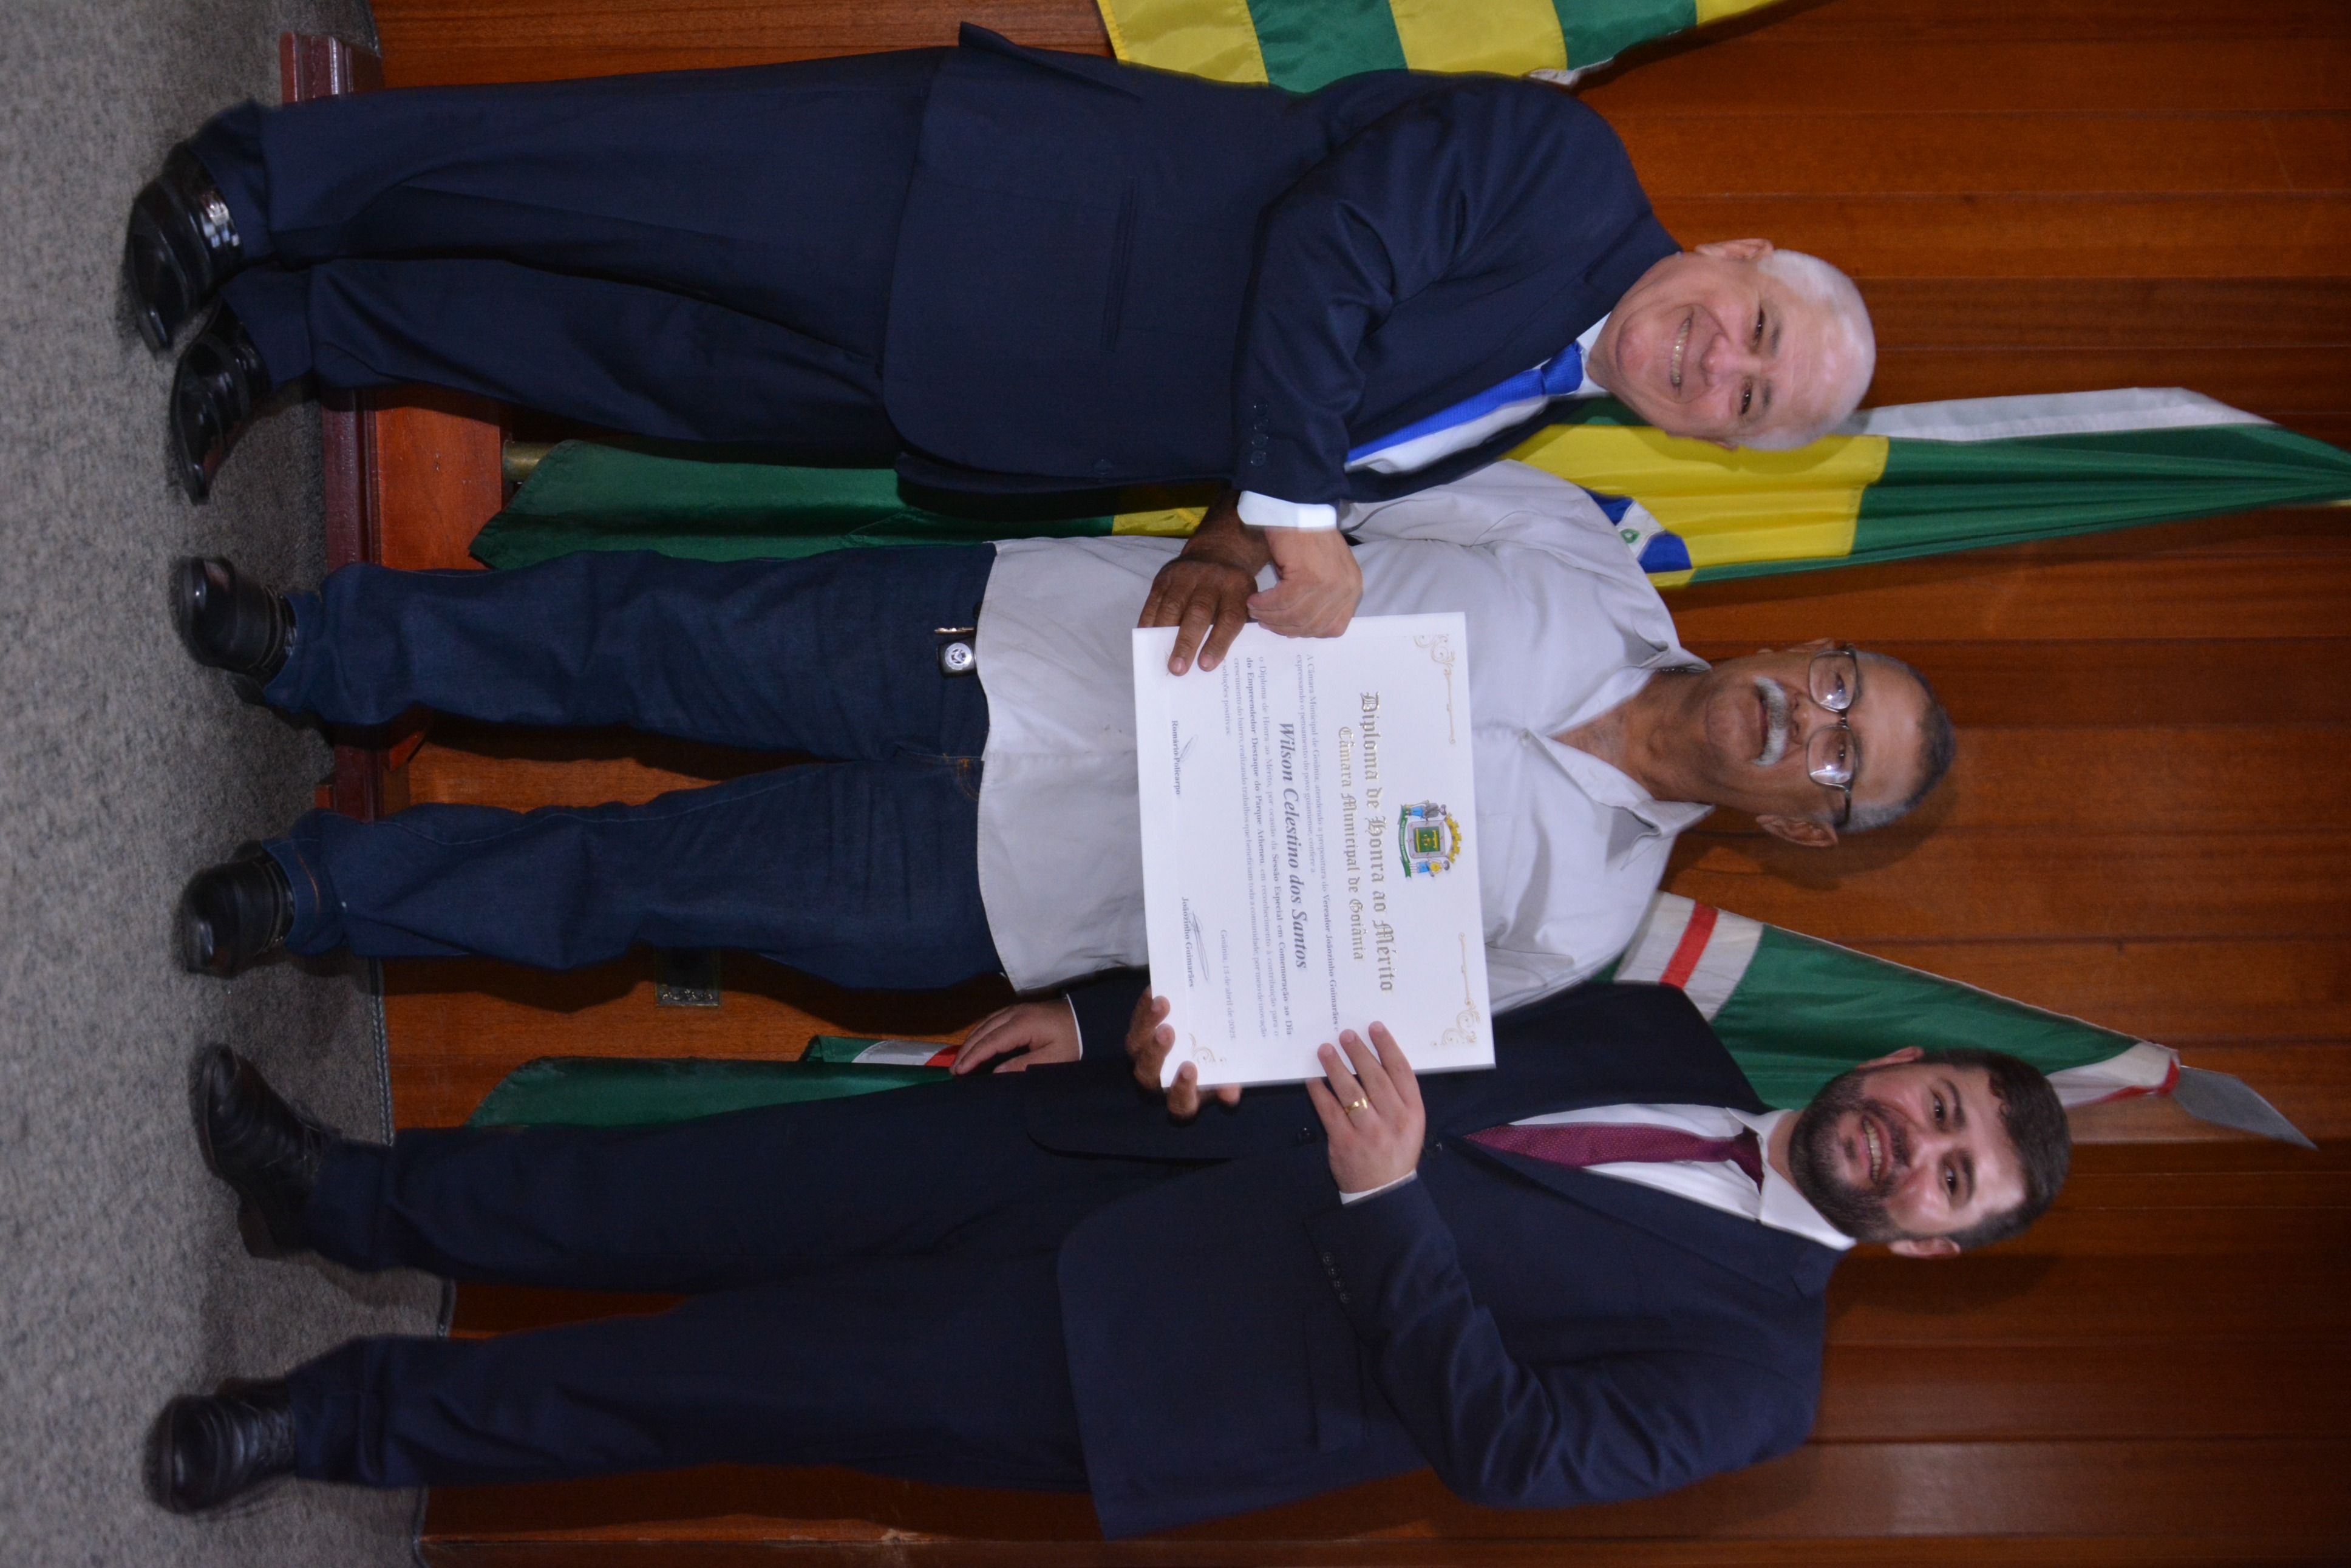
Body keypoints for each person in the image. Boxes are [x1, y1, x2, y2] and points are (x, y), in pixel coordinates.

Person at [128, 25, 1876, 636]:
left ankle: (300, 331)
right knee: (598, 181)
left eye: (1747, 399)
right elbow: (1334, 248)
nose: (1716, 366)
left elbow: (1304, 432)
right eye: (1751, 329)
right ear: (1736, 254)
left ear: (1714, 439)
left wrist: (1238, 550)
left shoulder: (1542, 399)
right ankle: (255, 185)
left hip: (977, 400)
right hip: (980, 206)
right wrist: (1294, 514)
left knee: (612, 360)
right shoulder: (1568, 177)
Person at [149, 979, 2071, 1529]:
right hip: (1107, 1138)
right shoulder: (1664, 1036)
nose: (1919, 1148)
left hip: (1136, 1367)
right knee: (688, 1192)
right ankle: (339, 1196)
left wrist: (1393, 1198)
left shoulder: (1758, 1385)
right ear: (1901, 1064)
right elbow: (1366, 979)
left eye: (1952, 1179)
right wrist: (1111, 1009)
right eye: (1942, 1107)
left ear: (1930, 1245)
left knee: (692, 1382)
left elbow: (1511, 1451)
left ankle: (326, 1424)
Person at [168, 462, 1954, 1030]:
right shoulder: (1574, 549)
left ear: (1808, 833)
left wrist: (1148, 1032)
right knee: (650, 634)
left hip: (1015, 890)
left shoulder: (1584, 922)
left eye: (1838, 760)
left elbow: (1333, 1020)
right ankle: (327, 647)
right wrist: (1233, 541)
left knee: (635, 884)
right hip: (1026, 634)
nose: (1806, 718)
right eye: (1836, 681)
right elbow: (1330, 472)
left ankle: (318, 897)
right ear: (1806, 643)